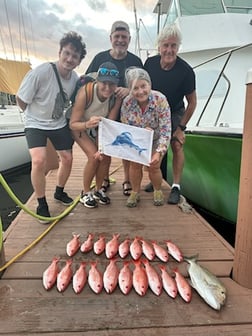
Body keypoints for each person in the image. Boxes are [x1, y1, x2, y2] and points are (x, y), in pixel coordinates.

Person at [16, 31, 87, 223]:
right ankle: (42, 204)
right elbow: (21, 99)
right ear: (60, 52)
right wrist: (34, 116)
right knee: (38, 161)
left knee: (68, 158)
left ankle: (59, 192)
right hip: (35, 123)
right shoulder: (41, 72)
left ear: (79, 61)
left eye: (75, 56)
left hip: (57, 123)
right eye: (67, 53)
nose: (70, 59)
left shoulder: (74, 79)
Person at [85, 20, 143, 196]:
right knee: (105, 147)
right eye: (116, 36)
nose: (120, 40)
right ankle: (103, 180)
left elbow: (144, 84)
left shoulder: (135, 60)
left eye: (123, 37)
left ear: (129, 39)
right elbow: (87, 79)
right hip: (105, 110)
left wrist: (129, 89)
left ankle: (126, 179)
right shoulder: (99, 58)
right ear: (111, 38)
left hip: (128, 111)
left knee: (126, 146)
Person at [144, 24, 197, 204]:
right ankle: (156, 178)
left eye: (173, 46)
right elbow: (144, 91)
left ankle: (176, 186)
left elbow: (192, 103)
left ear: (178, 47)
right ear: (159, 47)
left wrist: (181, 128)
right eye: (165, 45)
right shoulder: (150, 64)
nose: (169, 50)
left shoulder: (186, 71)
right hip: (154, 112)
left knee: (175, 145)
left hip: (174, 110)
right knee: (155, 146)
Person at [69, 62, 122, 208]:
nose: (107, 87)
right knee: (93, 156)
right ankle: (85, 193)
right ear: (97, 81)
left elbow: (109, 123)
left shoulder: (115, 97)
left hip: (100, 127)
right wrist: (87, 124)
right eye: (104, 83)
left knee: (104, 156)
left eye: (112, 84)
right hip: (81, 125)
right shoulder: (86, 92)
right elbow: (72, 123)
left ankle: (98, 189)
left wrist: (102, 146)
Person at [120, 67, 171, 207]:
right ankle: (135, 192)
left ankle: (157, 190)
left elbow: (166, 130)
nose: (140, 91)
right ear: (130, 89)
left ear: (149, 84)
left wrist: (159, 151)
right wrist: (140, 133)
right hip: (136, 139)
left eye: (143, 86)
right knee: (134, 165)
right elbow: (125, 128)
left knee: (154, 166)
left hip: (156, 139)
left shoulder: (160, 99)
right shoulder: (127, 103)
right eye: (135, 88)